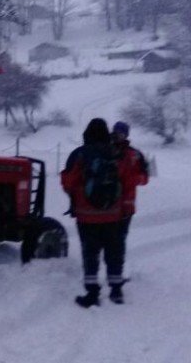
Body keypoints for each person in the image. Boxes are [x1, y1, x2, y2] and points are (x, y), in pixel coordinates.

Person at [61, 118, 132, 307]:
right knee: (114, 252)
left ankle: (92, 293)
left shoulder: (79, 154)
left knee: (90, 253)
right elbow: (126, 181)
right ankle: (116, 290)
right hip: (114, 214)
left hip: (87, 216)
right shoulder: (116, 153)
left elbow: (68, 183)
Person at [112, 121, 148, 245]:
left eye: (121, 133)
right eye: (116, 132)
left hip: (126, 205)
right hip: (106, 204)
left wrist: (130, 180)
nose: (118, 136)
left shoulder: (136, 155)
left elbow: (145, 178)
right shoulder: (105, 151)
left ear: (126, 135)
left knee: (120, 238)